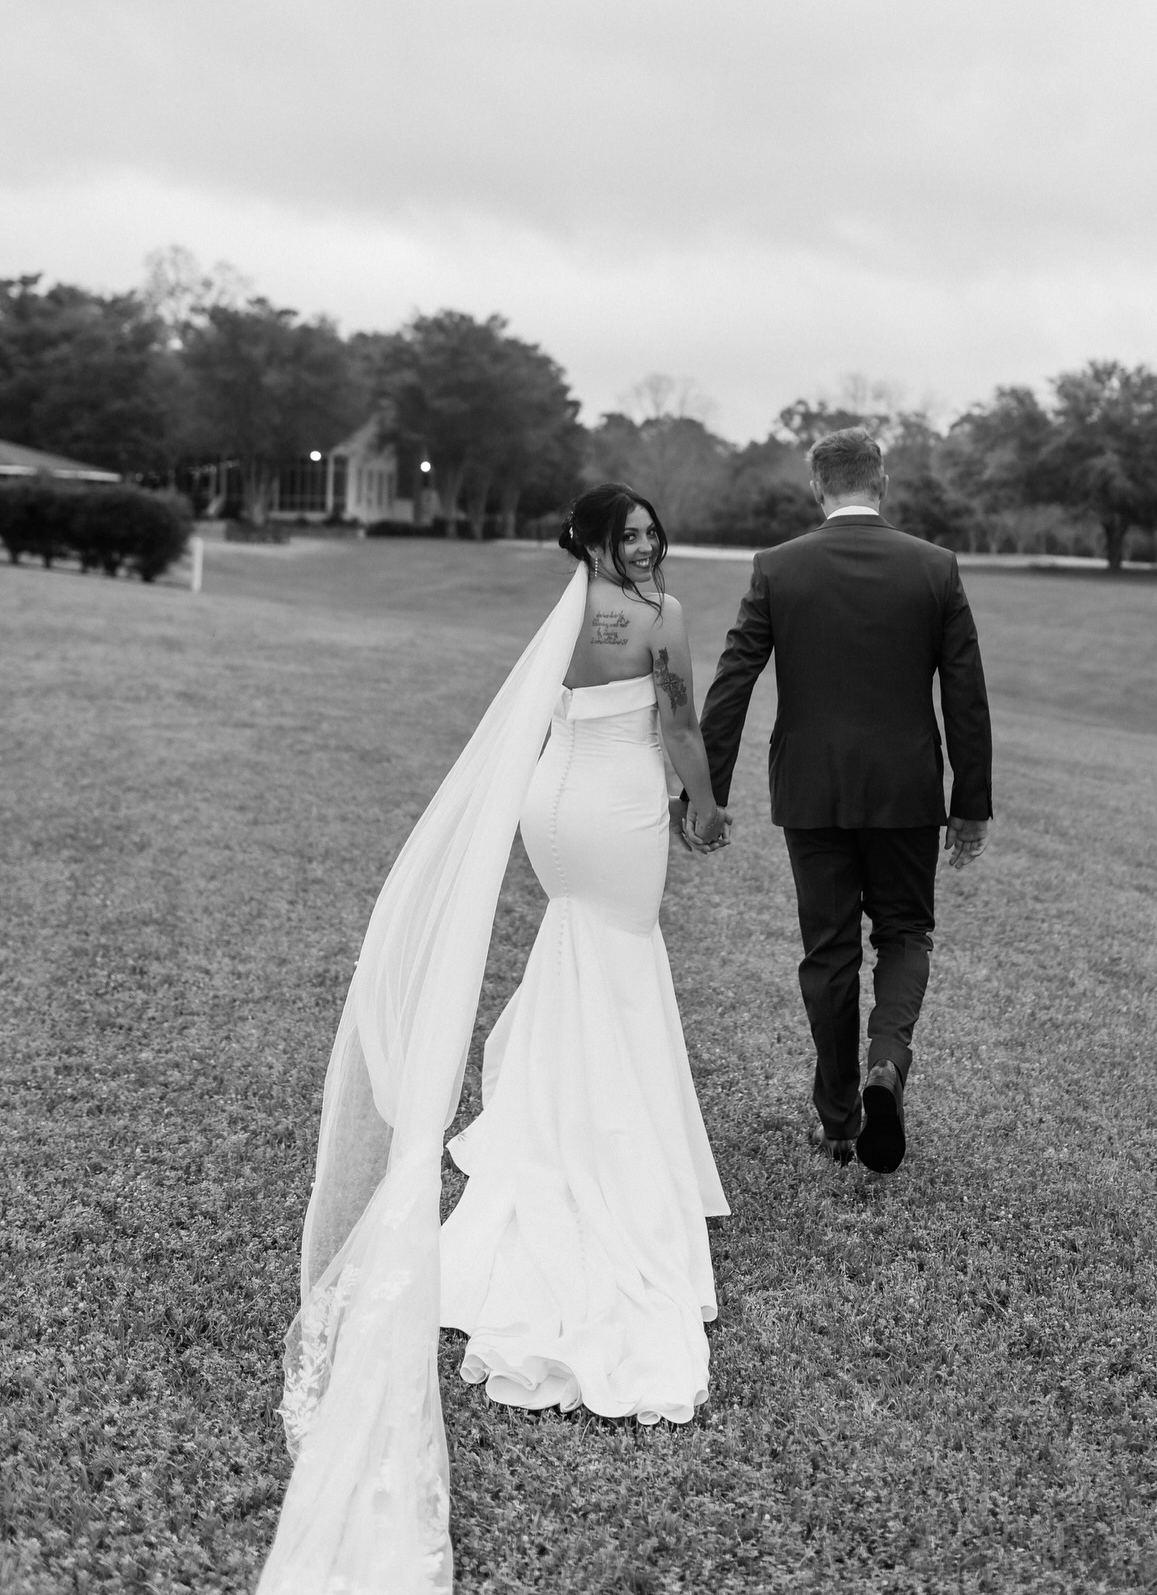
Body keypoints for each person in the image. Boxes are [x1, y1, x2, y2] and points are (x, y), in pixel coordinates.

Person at [258, 486, 730, 1595]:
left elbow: (545, 720)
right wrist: (703, 808)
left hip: (550, 805)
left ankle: (558, 1106)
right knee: (617, 953)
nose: (650, 546)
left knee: (580, 948)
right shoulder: (658, 618)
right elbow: (677, 725)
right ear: (600, 544)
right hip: (614, 806)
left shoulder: (567, 616)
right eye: (634, 535)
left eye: (653, 532)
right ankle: (613, 1138)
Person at [694, 427, 992, 1174]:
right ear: (881, 480)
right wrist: (972, 802)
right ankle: (886, 1060)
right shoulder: (936, 568)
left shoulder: (778, 567)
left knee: (828, 954)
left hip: (813, 789)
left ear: (816, 486)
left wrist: (708, 792)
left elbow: (733, 682)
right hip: (907, 790)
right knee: (904, 933)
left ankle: (838, 1121)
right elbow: (966, 695)